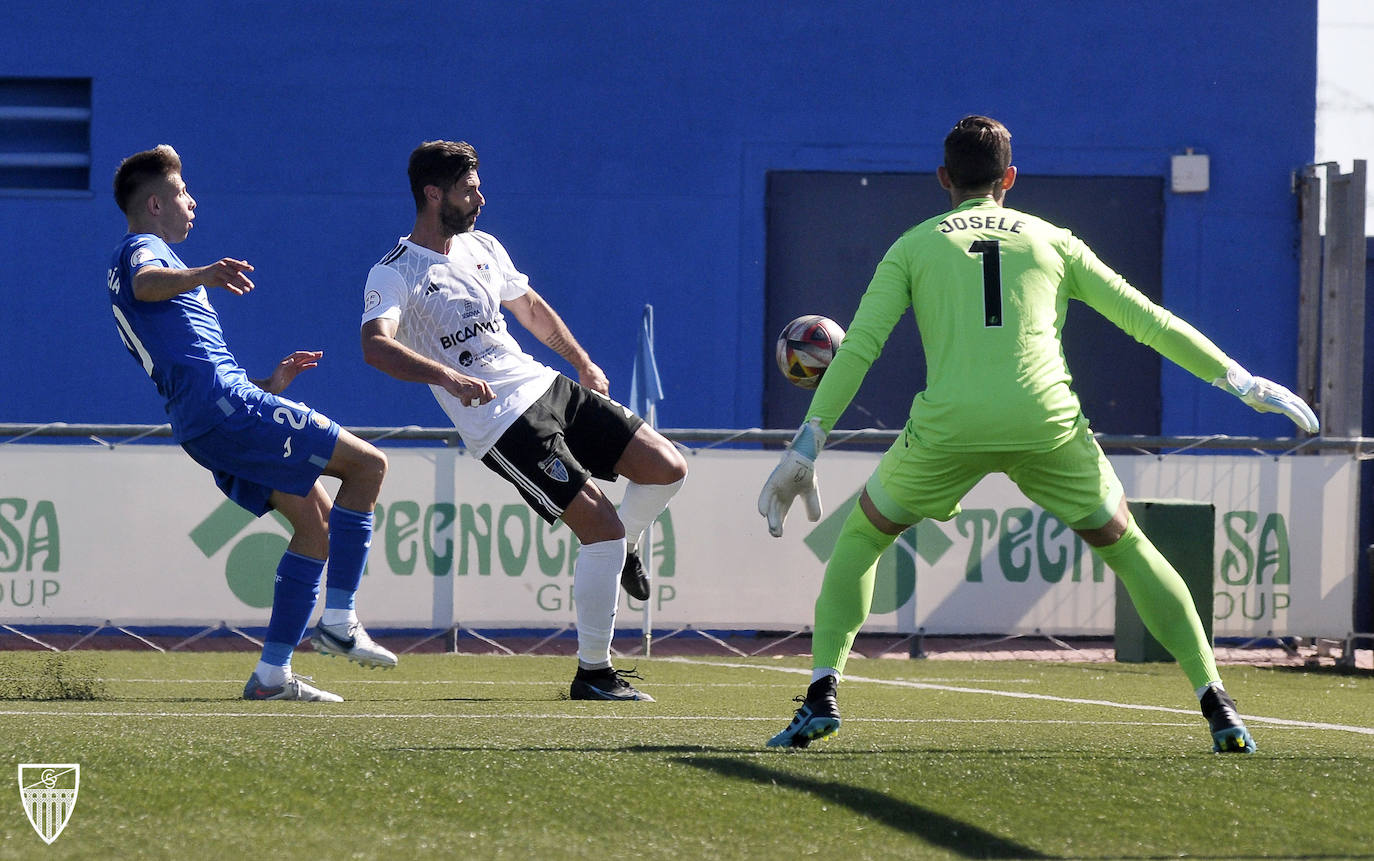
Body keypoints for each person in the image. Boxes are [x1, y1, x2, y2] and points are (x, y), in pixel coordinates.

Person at [759, 116, 1319, 753]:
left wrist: (808, 443)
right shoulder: (1054, 240)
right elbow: (1149, 322)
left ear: (944, 178)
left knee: (862, 534)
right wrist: (1242, 381)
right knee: (1128, 546)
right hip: (1045, 423)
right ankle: (1216, 700)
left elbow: (858, 350)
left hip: (950, 427)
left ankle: (822, 692)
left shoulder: (913, 245)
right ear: (1011, 179)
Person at [360, 140, 688, 701]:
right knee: (600, 530)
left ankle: (627, 544)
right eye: (469, 189)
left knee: (668, 467)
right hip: (501, 420)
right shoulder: (395, 273)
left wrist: (582, 362)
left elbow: (530, 308)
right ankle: (594, 673)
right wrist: (447, 377)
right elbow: (374, 347)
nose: (481, 197)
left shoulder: (483, 245)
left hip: (546, 385)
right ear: (433, 194)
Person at [108, 145, 397, 703]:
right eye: (183, 192)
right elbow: (146, 283)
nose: (193, 202)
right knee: (368, 466)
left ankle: (271, 675)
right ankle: (339, 619)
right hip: (222, 409)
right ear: (155, 204)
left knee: (315, 522)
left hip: (212, 419)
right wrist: (207, 273)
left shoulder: (151, 265)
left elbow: (181, 355)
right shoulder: (145, 251)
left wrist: (269, 386)